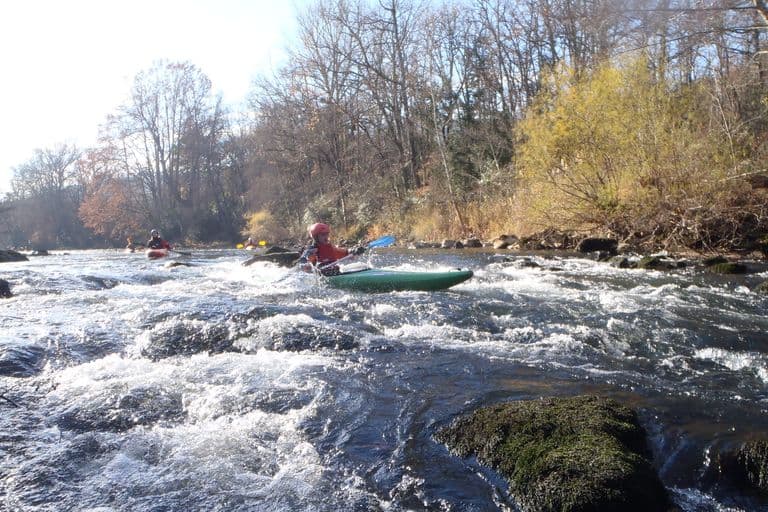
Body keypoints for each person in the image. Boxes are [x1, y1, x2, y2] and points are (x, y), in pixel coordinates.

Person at [299, 222, 364, 275]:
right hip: (322, 276)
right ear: (315, 237)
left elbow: (345, 252)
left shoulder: (330, 248)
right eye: (323, 235)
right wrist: (306, 265)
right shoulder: (312, 250)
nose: (326, 237)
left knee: (363, 267)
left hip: (335, 273)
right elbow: (303, 260)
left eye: (327, 234)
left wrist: (355, 251)